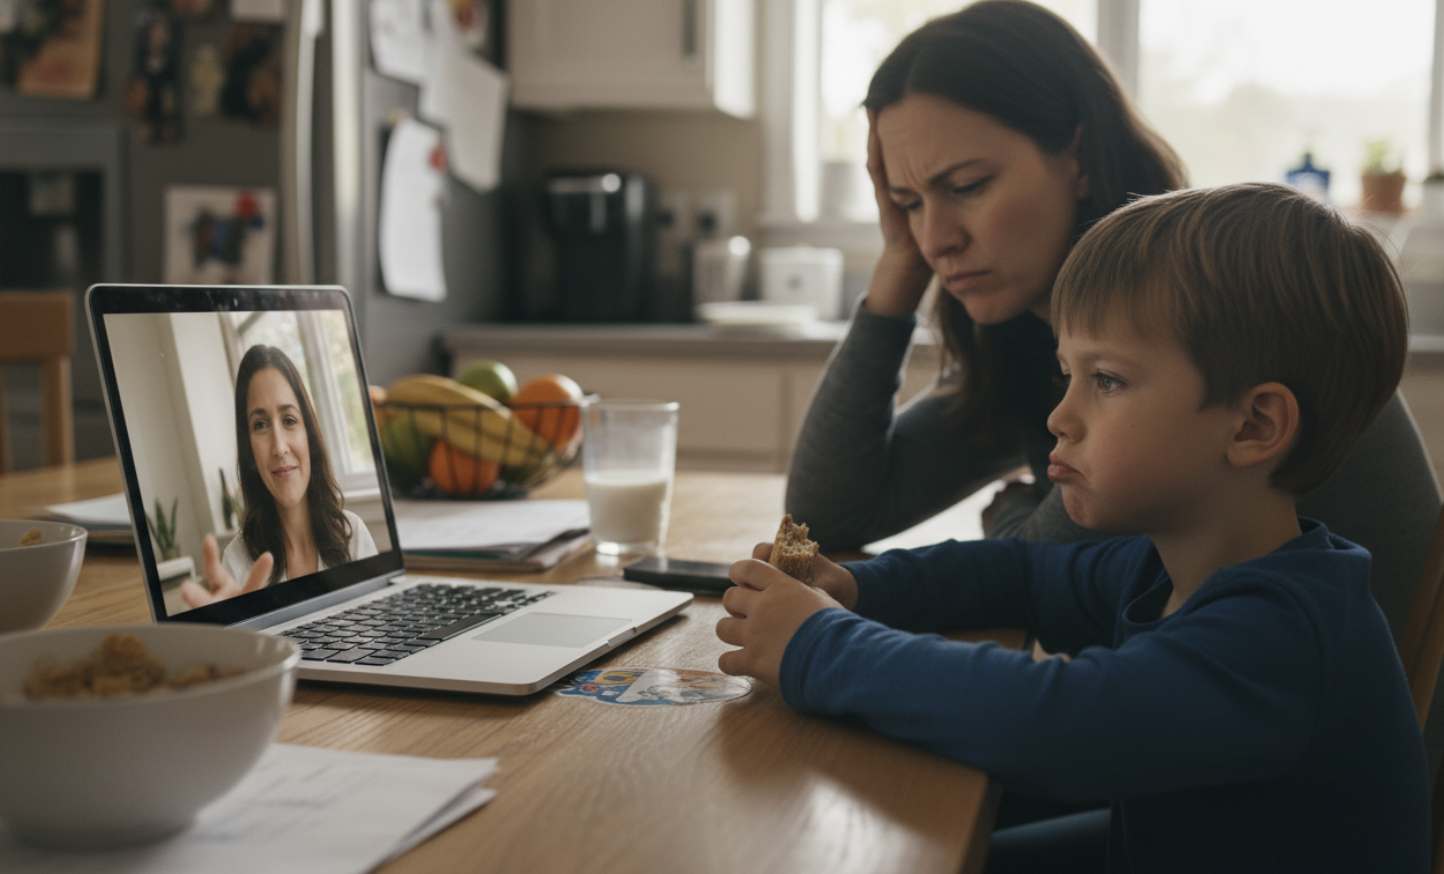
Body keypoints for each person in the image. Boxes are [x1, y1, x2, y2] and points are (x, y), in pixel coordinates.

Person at [786, 0, 1443, 773]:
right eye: (906, 206)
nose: (934, 239)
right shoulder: (1063, 351)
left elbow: (1057, 647)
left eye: (965, 185)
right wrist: (896, 271)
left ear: (1080, 155)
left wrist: (1016, 521)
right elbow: (837, 511)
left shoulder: (1225, 320)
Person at [719, 183, 1431, 870]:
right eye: (1067, 375)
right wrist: (860, 589)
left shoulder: (1285, 635)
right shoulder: (1168, 563)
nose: (1060, 417)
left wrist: (821, 644)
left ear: (1253, 425)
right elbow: (1023, 574)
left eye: (1107, 380)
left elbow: (1055, 725)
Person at [181, 345, 377, 608]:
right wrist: (231, 624)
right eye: (260, 425)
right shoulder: (237, 563)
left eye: (289, 420)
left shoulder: (353, 537)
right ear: (249, 448)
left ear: (309, 434)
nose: (279, 447)